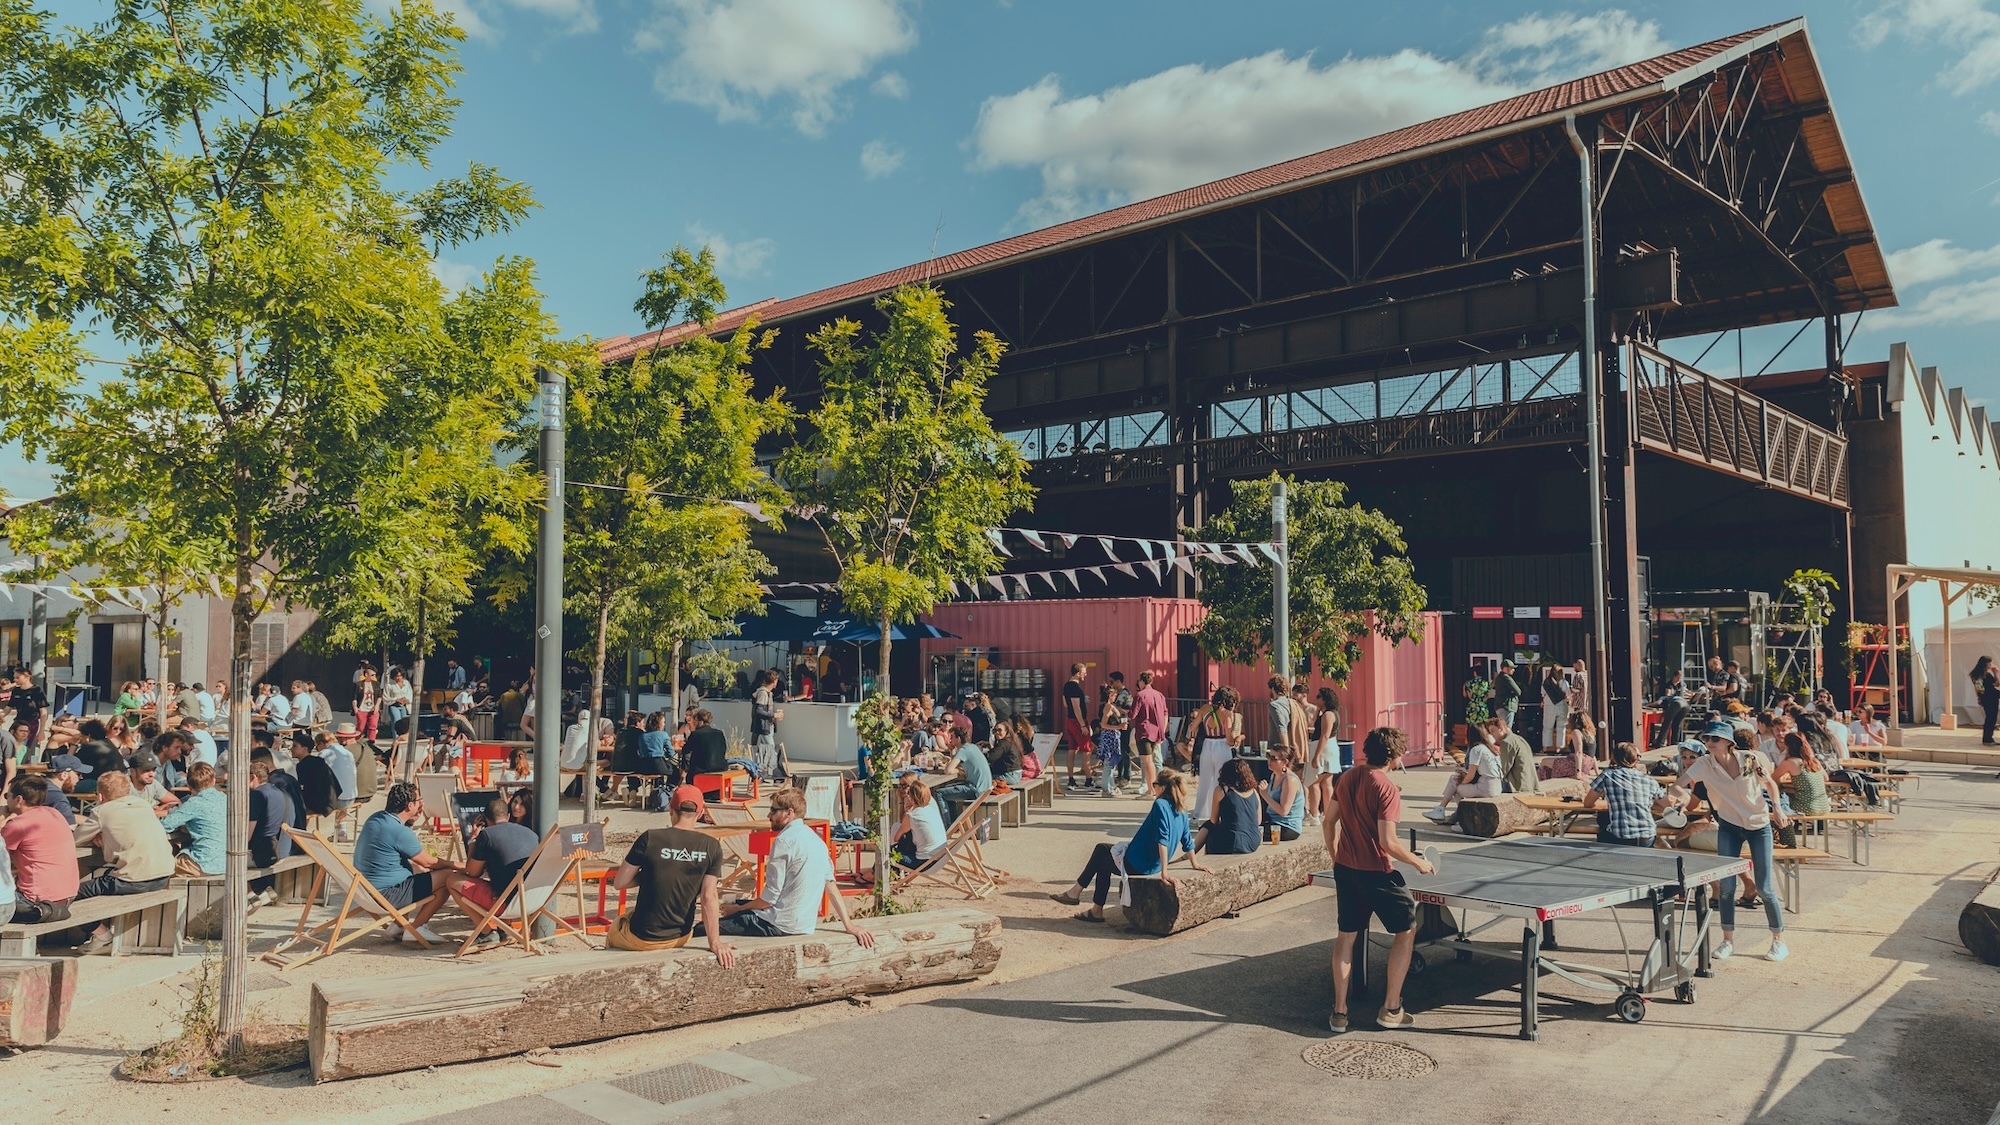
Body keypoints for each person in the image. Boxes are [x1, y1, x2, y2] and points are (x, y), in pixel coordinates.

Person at [1325, 727, 1436, 1034]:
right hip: (1377, 873)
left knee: (1346, 937)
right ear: (1394, 755)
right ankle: (1391, 1008)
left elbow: (1328, 821)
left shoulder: (1346, 778)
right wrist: (1418, 862)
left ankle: (1339, 1012)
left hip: (1346, 870)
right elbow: (1388, 842)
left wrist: (1335, 854)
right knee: (1407, 930)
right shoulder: (1387, 788)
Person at [1680, 720, 1789, 962]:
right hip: (1729, 826)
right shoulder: (1704, 763)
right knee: (1726, 888)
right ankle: (1727, 940)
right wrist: (1669, 796)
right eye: (1706, 739)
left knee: (1764, 888)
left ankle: (1778, 941)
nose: (1708, 743)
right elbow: (1681, 782)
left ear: (1728, 742)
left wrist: (1778, 809)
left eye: (1714, 739)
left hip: (1758, 825)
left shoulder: (1750, 759)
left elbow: (1770, 784)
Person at [718, 787, 874, 945]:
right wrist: (849, 925)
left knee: (706, 927)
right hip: (804, 924)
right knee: (738, 905)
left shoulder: (783, 841)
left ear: (788, 813)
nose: (769, 815)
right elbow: (830, 885)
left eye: (773, 810)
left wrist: (738, 910)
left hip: (779, 924)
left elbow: (770, 898)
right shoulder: (817, 840)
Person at [1054, 767, 1211, 922]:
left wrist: (1165, 872)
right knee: (1103, 858)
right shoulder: (1181, 809)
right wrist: (1194, 863)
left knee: (1101, 851)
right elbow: (1186, 840)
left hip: (1140, 863)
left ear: (1162, 787)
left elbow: (1162, 840)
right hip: (1151, 862)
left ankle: (1077, 894)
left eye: (1154, 784)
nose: (1153, 787)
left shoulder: (1160, 805)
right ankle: (1093, 908)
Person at [604, 786, 735, 961]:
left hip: (643, 938)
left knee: (618, 925)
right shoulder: (711, 846)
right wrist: (715, 942)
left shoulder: (650, 838)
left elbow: (620, 883)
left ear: (671, 810)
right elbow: (709, 896)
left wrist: (650, 872)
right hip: (680, 935)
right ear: (700, 812)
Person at [72, 770, 175, 949]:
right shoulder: (143, 805)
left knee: (72, 893)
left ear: (100, 795)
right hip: (163, 875)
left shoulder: (101, 811)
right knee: (105, 879)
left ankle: (101, 933)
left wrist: (97, 833)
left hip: (133, 880)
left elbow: (74, 840)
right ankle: (100, 934)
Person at [353, 781, 455, 943]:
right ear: (409, 805)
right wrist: (455, 865)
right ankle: (418, 928)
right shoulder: (398, 831)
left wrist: (412, 819)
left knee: (415, 870)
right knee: (448, 877)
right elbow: (429, 862)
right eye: (418, 800)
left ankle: (399, 925)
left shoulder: (376, 818)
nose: (421, 803)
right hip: (387, 894)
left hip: (365, 890)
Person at [445, 795, 540, 937]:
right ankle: (505, 928)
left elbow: (472, 873)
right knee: (506, 878)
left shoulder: (487, 835)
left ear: (485, 819)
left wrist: (473, 840)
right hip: (532, 900)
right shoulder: (531, 834)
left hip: (505, 904)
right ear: (508, 816)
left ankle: (486, 931)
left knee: (452, 880)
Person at [3, 776, 78, 923]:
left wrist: (2, 817)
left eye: (7, 796)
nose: (6, 800)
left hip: (36, 902)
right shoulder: (55, 813)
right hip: (67, 896)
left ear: (19, 799)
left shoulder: (18, 825)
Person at [1582, 742, 1669, 847]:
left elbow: (1588, 803)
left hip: (1621, 837)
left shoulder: (1607, 775)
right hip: (1647, 837)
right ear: (1635, 760)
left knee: (1603, 827)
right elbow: (1666, 803)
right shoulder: (1648, 780)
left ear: (1614, 757)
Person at [1424, 722, 1502, 823]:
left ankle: (1459, 817)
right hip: (1496, 785)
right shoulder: (1490, 749)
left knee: (1455, 786)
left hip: (1486, 787)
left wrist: (1460, 782)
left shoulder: (1476, 749)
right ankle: (1444, 810)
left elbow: (1470, 775)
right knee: (1454, 779)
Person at [160, 762, 226, 876]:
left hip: (203, 863)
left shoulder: (194, 803)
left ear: (189, 786)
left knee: (161, 868)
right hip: (226, 862)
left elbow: (165, 826)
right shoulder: (224, 798)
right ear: (214, 781)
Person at [1186, 685, 1242, 819]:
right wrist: (1239, 737)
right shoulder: (1227, 714)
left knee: (1204, 781)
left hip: (1207, 745)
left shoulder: (1205, 709)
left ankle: (1198, 813)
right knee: (1221, 781)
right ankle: (1216, 812)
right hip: (1221, 746)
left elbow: (1193, 728)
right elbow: (1229, 740)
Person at [1193, 758, 1261, 856]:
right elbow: (1258, 821)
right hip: (1253, 841)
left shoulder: (1222, 790)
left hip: (1232, 842)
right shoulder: (1254, 792)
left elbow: (1213, 820)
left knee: (1208, 827)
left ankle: (1191, 854)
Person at [931, 725, 992, 826]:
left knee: (939, 793)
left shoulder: (963, 750)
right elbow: (957, 765)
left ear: (958, 739)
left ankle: (947, 827)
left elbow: (948, 770)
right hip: (985, 787)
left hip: (976, 789)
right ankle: (954, 825)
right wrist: (952, 752)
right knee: (947, 791)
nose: (950, 740)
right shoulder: (971, 747)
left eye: (952, 737)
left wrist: (958, 771)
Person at [891, 774, 950, 867]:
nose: (901, 789)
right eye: (900, 786)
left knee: (887, 852)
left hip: (922, 863)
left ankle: (881, 873)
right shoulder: (928, 805)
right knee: (901, 832)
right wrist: (902, 800)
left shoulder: (913, 815)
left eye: (905, 786)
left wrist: (902, 801)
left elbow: (897, 835)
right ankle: (891, 870)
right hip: (940, 856)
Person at [1307, 686, 1342, 824]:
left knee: (1314, 781)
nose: (1316, 699)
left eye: (1318, 697)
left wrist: (1316, 756)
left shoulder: (1328, 715)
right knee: (1327, 782)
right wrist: (1317, 711)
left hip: (1323, 748)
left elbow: (1324, 735)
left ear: (1325, 699)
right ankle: (1328, 813)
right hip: (1329, 748)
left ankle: (1314, 814)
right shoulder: (1331, 713)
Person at [1129, 670, 1168, 793]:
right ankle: (1156, 788)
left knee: (1147, 761)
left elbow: (1132, 714)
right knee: (1154, 759)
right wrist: (1163, 728)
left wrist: (1123, 712)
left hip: (1144, 731)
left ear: (1142, 681)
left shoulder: (1140, 695)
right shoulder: (1159, 695)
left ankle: (1151, 789)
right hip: (1157, 732)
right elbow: (1166, 713)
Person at [1258, 745, 1305, 841]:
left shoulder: (1289, 780)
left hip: (1287, 827)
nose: (1269, 761)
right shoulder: (1274, 775)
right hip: (1273, 821)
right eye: (1268, 756)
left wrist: (1265, 795)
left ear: (1284, 762)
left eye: (1273, 758)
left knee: (1252, 834)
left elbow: (1283, 811)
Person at [322, 725, 361, 840]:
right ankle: (341, 831)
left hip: (342, 797)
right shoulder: (351, 752)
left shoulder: (330, 753)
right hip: (354, 794)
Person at [1491, 712, 1537, 795]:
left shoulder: (1506, 743)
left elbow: (1503, 770)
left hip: (1517, 786)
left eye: (1493, 731)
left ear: (1501, 728)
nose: (1492, 735)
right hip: (1530, 783)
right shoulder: (1519, 739)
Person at [1061, 663, 1092, 786]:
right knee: (1086, 750)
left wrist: (1083, 700)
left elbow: (1065, 704)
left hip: (1069, 720)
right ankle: (1089, 779)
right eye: (1084, 672)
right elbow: (1075, 706)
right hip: (1077, 722)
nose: (1085, 674)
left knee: (1072, 749)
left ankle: (1071, 779)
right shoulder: (1075, 687)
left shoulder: (1066, 686)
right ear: (1078, 673)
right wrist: (1082, 725)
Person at [1093, 688, 1128, 797]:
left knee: (1111, 764)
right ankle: (1106, 789)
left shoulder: (1111, 706)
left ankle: (1111, 786)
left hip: (1114, 736)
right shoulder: (1107, 707)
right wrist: (1118, 726)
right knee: (1109, 764)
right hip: (1110, 737)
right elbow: (1103, 724)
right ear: (1110, 696)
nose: (1115, 696)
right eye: (1114, 695)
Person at [750, 670, 782, 781]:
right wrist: (774, 715)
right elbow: (759, 711)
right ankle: (776, 775)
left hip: (766, 726)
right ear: (774, 681)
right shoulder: (764, 693)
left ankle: (761, 775)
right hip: (764, 727)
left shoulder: (766, 692)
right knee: (772, 751)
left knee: (766, 752)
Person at [682, 708, 729, 776]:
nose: (694, 723)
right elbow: (723, 749)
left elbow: (685, 750)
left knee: (688, 771)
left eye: (695, 721)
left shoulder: (696, 734)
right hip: (720, 767)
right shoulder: (719, 733)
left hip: (701, 769)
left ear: (701, 722)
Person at [1540, 665, 1568, 753]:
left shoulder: (1546, 682)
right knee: (1561, 727)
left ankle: (1546, 747)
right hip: (1562, 706)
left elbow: (1543, 693)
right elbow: (1567, 695)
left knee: (1547, 727)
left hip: (1549, 705)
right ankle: (1558, 748)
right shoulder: (1564, 682)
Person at [1657, 669, 1689, 748]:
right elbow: (1667, 695)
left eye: (1680, 678)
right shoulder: (1669, 685)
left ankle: (1660, 743)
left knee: (1667, 722)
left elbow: (1687, 692)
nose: (1679, 679)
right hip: (1684, 704)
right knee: (1676, 723)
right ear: (1674, 676)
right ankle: (1675, 743)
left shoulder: (1681, 685)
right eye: (1678, 677)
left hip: (1677, 703)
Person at [1973, 656, 2000, 745]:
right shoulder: (1985, 674)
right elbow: (1997, 684)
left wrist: (1979, 697)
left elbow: (1978, 688)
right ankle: (1987, 739)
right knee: (1991, 718)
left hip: (1986, 697)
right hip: (1991, 696)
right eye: (1990, 663)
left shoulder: (1976, 674)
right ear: (1985, 663)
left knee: (1990, 718)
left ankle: (1988, 738)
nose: (1991, 665)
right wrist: (1995, 673)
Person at [1491, 660, 1522, 730]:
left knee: (1502, 728)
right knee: (1506, 729)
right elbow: (1518, 691)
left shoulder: (1498, 678)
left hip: (1499, 706)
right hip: (1507, 706)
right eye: (1511, 668)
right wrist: (1512, 692)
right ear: (1505, 668)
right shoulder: (1506, 677)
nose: (1513, 670)